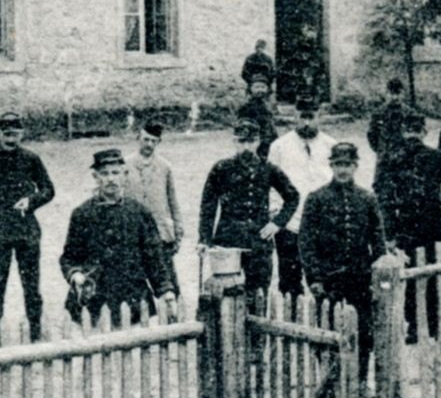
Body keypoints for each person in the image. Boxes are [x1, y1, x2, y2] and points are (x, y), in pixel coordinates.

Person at [299, 141, 388, 386]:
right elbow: (306, 242)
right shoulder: (316, 199)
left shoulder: (367, 199)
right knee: (327, 330)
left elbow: (378, 241)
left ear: (356, 166)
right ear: (331, 166)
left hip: (360, 277)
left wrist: (378, 277)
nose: (343, 170)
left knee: (364, 331)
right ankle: (329, 383)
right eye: (338, 164)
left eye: (347, 164)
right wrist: (314, 278)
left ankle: (360, 381)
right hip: (329, 278)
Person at [61, 148, 178, 329]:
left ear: (125, 175)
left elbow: (154, 258)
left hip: (134, 299)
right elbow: (69, 257)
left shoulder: (139, 212)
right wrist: (75, 274)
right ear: (96, 177)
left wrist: (166, 290)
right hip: (95, 301)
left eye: (115, 173)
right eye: (104, 173)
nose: (110, 179)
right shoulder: (82, 214)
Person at [0, 114, 56, 345]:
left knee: (32, 287)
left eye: (15, 134)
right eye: (6, 134)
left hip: (26, 230)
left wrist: (31, 201)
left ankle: (36, 334)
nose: (10, 139)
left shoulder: (31, 159)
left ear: (22, 134)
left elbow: (48, 189)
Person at [199, 120, 300, 312]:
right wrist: (204, 239)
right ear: (233, 141)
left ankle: (256, 331)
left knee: (258, 297)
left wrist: (277, 223)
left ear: (259, 142)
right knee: (226, 294)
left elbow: (293, 197)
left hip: (258, 242)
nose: (246, 147)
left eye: (251, 141)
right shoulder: (221, 169)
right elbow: (208, 206)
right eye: (241, 141)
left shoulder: (268, 169)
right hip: (227, 242)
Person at [375, 108, 441, 337]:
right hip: (421, 222)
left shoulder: (394, 158)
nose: (412, 135)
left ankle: (424, 323)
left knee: (419, 271)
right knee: (425, 270)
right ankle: (426, 324)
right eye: (411, 130)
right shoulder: (430, 156)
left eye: (413, 131)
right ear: (422, 132)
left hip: (413, 222)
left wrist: (390, 231)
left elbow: (382, 195)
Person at [267, 99, 336, 298]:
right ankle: (292, 316)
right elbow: (271, 184)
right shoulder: (279, 146)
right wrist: (276, 214)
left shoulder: (331, 145)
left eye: (311, 117)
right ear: (294, 116)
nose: (306, 123)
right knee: (289, 280)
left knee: (325, 280)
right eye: (302, 117)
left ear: (319, 117)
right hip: (290, 222)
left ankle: (326, 317)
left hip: (323, 223)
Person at [122, 122, 183, 281]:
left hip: (160, 233)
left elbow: (172, 201)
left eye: (153, 141)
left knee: (166, 279)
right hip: (133, 233)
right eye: (146, 139)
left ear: (158, 142)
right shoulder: (124, 165)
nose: (149, 144)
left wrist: (178, 231)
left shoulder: (165, 166)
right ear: (138, 138)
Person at [367, 79, 408, 158]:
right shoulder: (378, 113)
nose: (395, 97)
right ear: (386, 94)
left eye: (398, 93)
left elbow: (417, 135)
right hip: (385, 156)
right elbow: (372, 135)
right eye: (391, 94)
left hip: (405, 156)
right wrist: (381, 150)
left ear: (403, 94)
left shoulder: (410, 113)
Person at [236, 78, 277, 150]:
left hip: (268, 138)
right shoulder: (247, 107)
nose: (260, 90)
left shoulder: (267, 105)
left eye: (263, 87)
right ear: (250, 89)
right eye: (257, 87)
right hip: (254, 138)